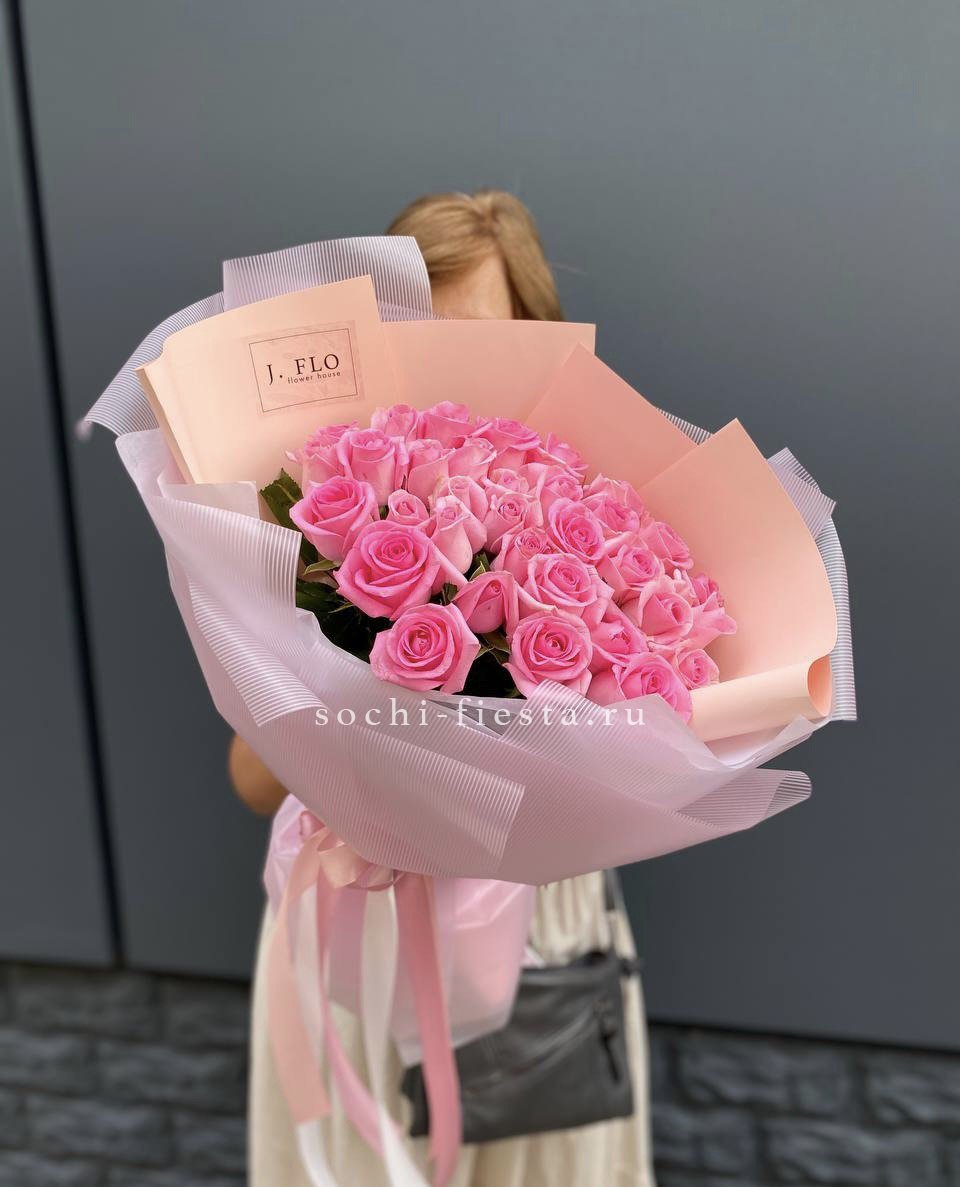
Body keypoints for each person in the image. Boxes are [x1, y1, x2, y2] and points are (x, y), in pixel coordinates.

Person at [231, 188, 657, 1187]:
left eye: (483, 341)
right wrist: (354, 689)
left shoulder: (609, 512)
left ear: (540, 342)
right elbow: (253, 778)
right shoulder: (307, 505)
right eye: (416, 340)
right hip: (357, 936)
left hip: (536, 939)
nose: (451, 374)